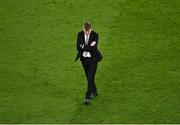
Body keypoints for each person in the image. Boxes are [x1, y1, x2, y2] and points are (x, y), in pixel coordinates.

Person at [75, 21, 102, 104]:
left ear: (91, 29)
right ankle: (95, 91)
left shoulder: (95, 35)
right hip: (84, 60)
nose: (87, 33)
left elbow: (93, 48)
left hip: (93, 59)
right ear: (83, 29)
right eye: (85, 31)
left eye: (88, 31)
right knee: (89, 78)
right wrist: (88, 46)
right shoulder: (80, 34)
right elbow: (78, 47)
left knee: (90, 77)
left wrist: (83, 46)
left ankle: (87, 97)